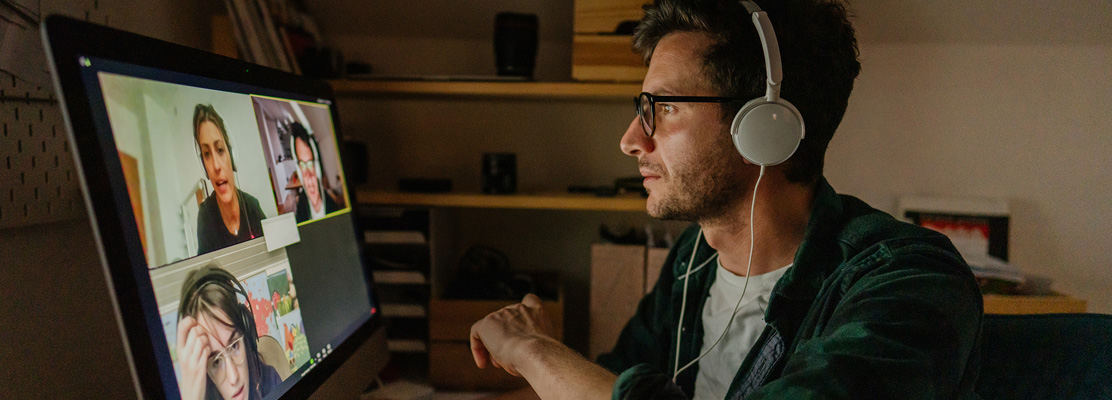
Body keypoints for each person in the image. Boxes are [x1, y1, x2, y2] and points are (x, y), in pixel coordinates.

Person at [468, 0, 983, 399]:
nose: (631, 139)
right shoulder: (691, 262)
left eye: (664, 107)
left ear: (765, 128)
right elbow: (615, 378)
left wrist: (536, 350)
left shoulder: (910, 282)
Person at [176, 265, 282, 400]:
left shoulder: (270, 381)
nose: (233, 377)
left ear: (246, 333)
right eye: (216, 362)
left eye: (234, 346)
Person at [193, 104, 266, 254]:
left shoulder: (252, 207)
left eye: (220, 150)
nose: (215, 166)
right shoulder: (205, 217)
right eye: (207, 154)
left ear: (231, 156)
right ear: (203, 166)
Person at [289, 121, 340, 223]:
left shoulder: (334, 209)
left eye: (310, 164)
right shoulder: (301, 208)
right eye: (302, 165)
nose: (308, 176)